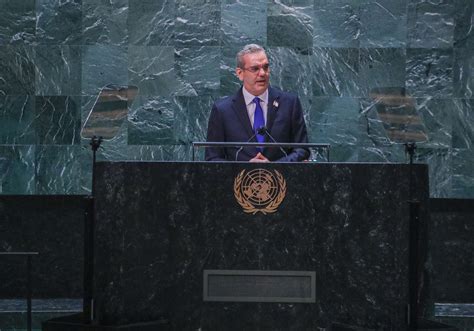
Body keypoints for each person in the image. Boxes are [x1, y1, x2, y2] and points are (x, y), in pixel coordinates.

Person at [205, 44, 309, 162]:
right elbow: (212, 158)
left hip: (282, 179)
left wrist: (274, 167)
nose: (262, 73)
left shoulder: (290, 104)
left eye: (265, 67)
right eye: (255, 69)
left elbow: (302, 150)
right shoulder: (222, 110)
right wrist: (245, 169)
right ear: (240, 73)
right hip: (237, 180)